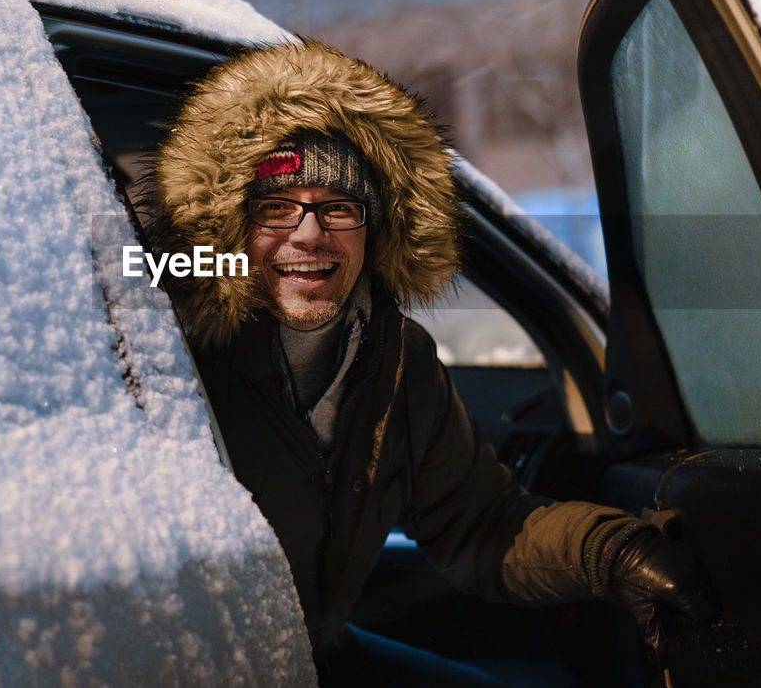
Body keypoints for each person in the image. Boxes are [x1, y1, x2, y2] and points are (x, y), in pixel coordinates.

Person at [146, 40, 715, 685]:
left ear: (377, 229)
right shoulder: (170, 351)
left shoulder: (396, 361)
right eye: (276, 208)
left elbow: (482, 526)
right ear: (232, 228)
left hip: (318, 656)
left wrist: (610, 553)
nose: (308, 234)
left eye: (339, 208)